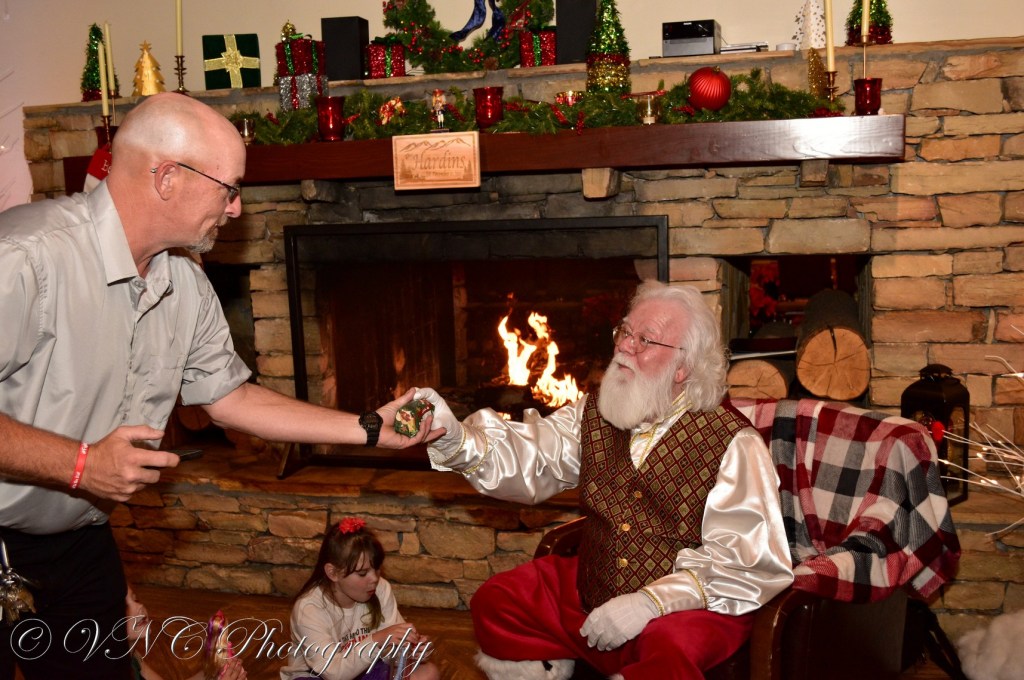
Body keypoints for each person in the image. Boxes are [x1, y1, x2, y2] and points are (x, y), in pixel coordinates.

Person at [0, 92, 437, 679]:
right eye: (228, 187)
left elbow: (231, 398)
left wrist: (369, 429)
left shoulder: (184, 281)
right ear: (167, 178)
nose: (236, 208)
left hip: (79, 541)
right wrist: (81, 465)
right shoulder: (25, 257)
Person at [416, 280, 795, 680]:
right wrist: (455, 437)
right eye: (625, 332)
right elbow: (532, 456)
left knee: (668, 649)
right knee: (498, 600)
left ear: (683, 367)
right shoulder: (595, 411)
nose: (624, 347)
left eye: (645, 340)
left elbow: (747, 563)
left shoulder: (734, 443)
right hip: (594, 583)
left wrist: (650, 603)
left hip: (689, 605)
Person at [280, 517, 440, 680]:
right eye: (362, 573)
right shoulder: (309, 608)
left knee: (428, 672)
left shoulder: (380, 588)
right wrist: (377, 640)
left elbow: (390, 654)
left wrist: (412, 651)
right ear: (333, 573)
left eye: (376, 569)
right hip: (317, 676)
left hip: (366, 669)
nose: (374, 579)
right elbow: (333, 673)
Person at [124, 587, 247, 680]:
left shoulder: (134, 657)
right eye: (125, 606)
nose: (140, 606)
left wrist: (211, 671)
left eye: (136, 599)